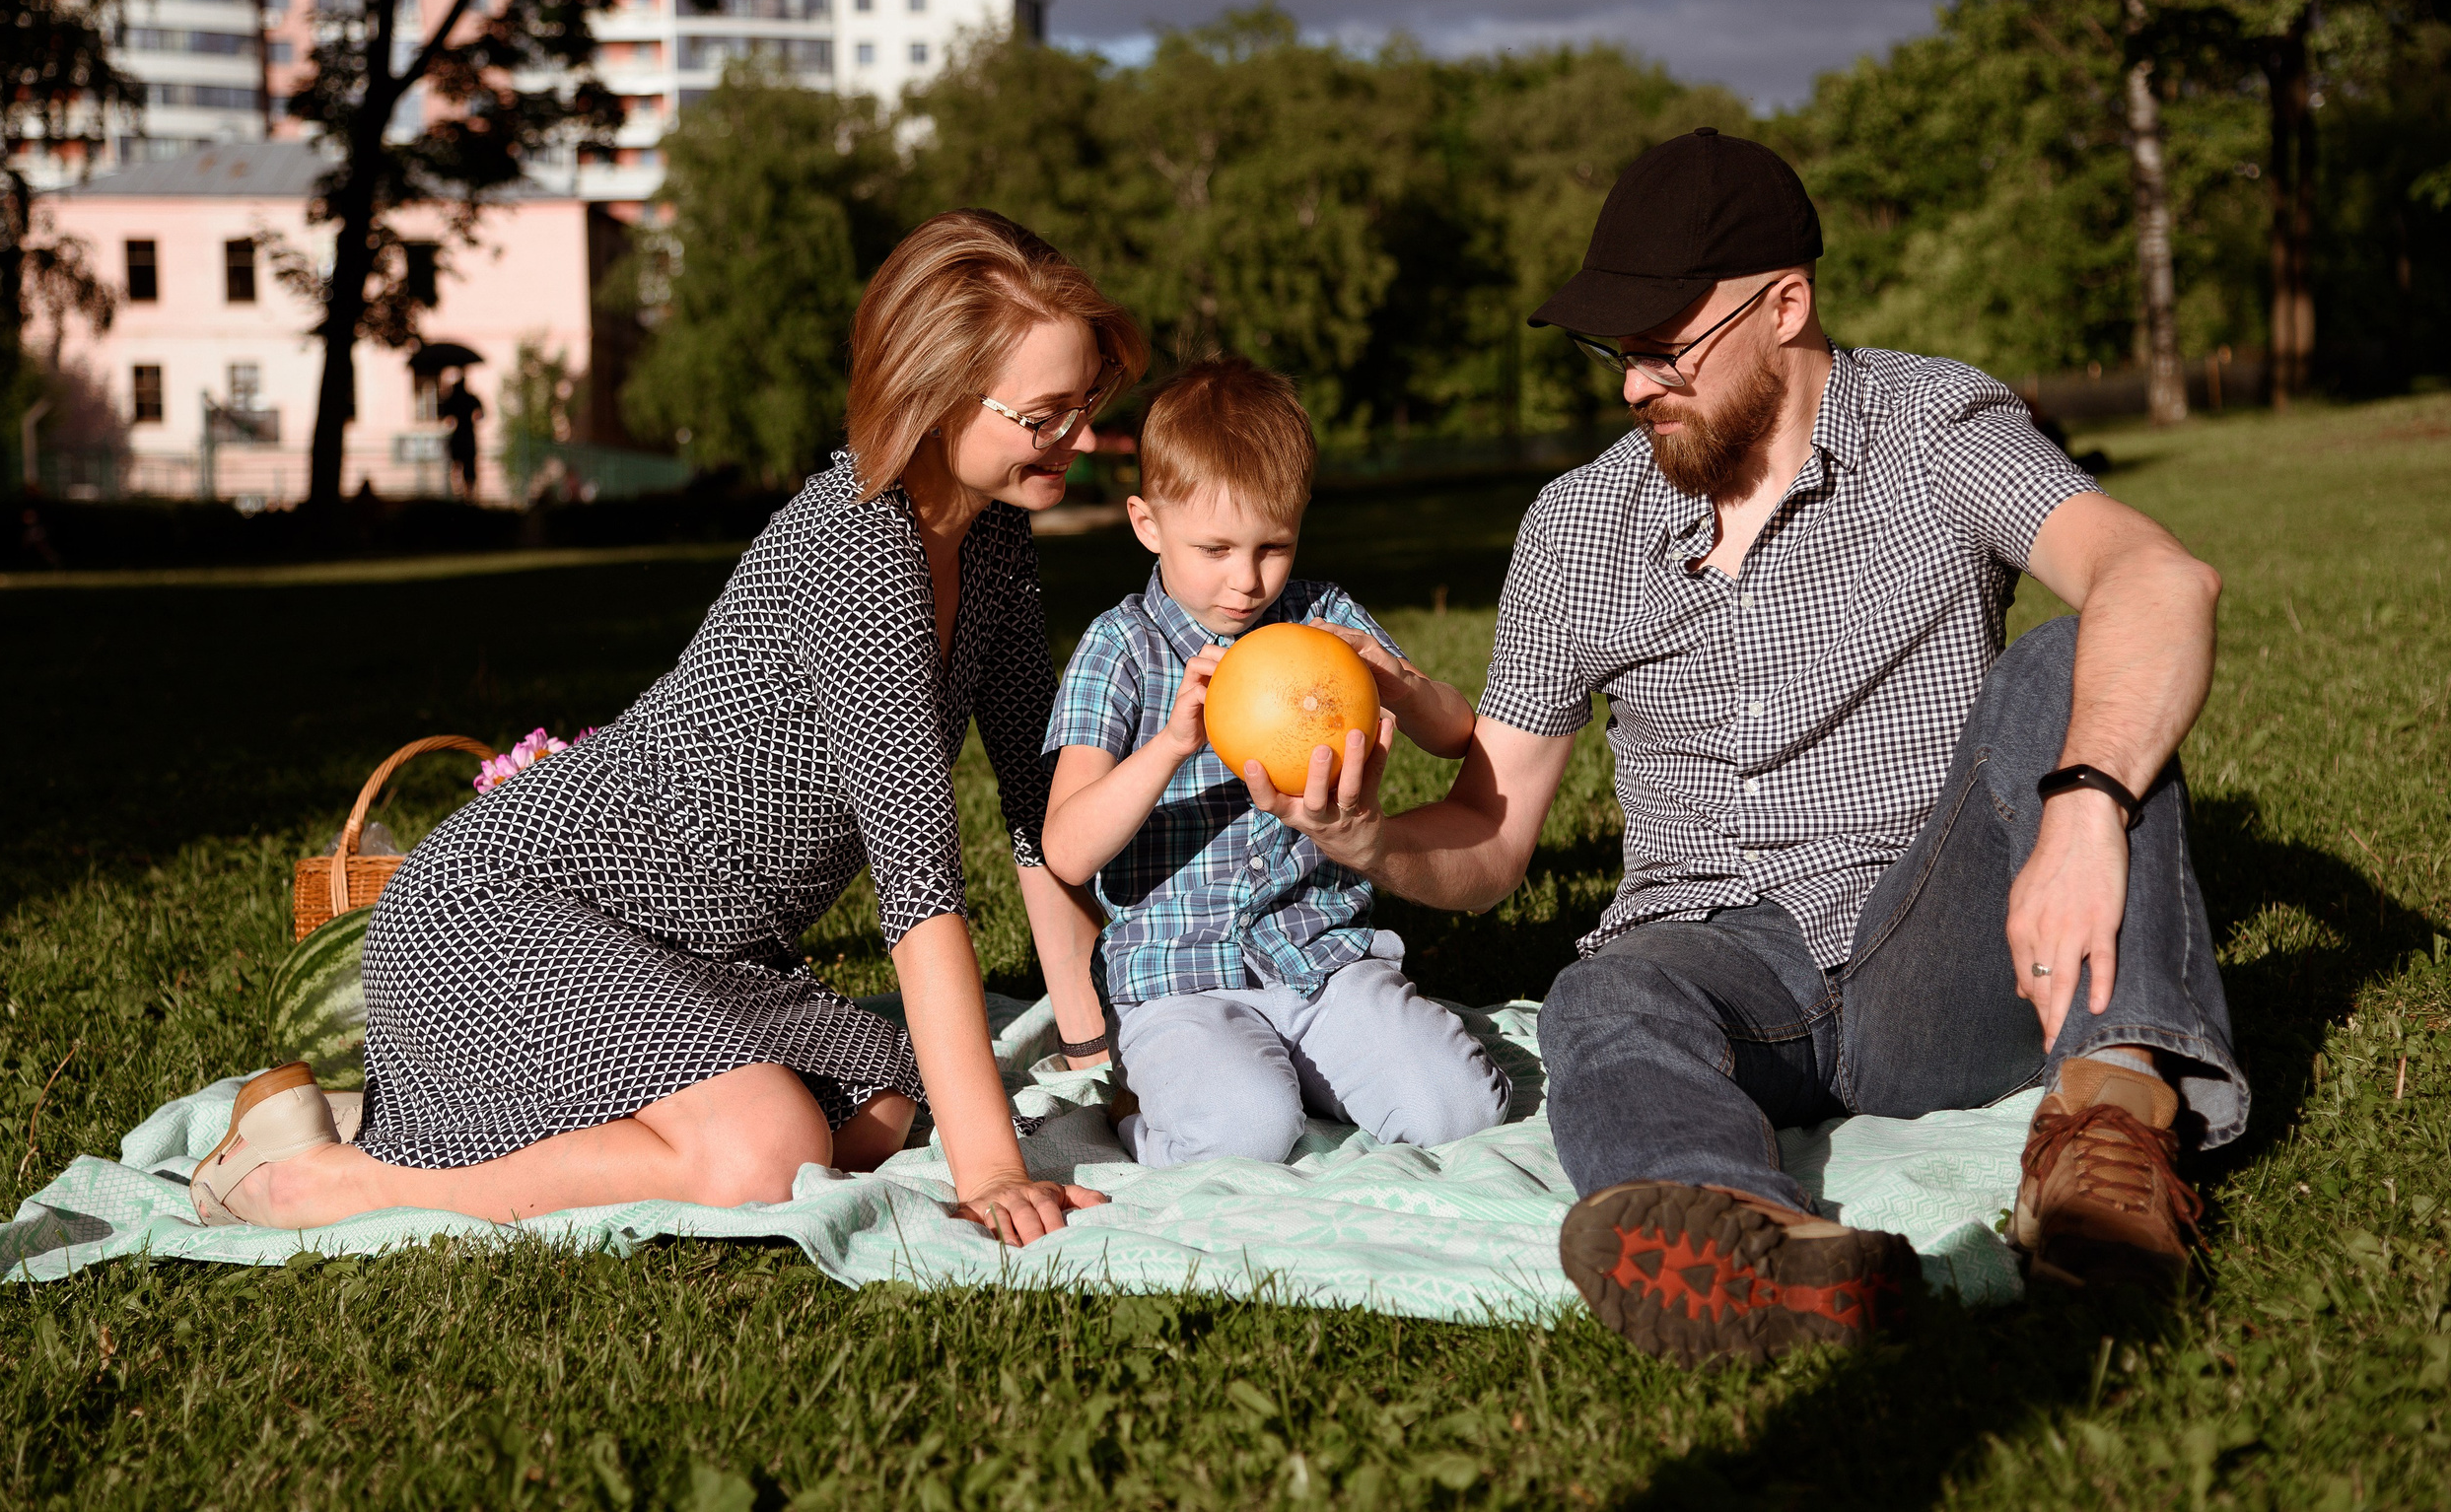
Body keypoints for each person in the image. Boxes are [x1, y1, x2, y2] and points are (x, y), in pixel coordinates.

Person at [1243, 128, 2246, 1365]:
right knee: (1603, 991)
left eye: (1667, 348)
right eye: (1617, 352)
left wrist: (2086, 808)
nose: (1632, 384)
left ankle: (2109, 1142)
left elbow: (2156, 575)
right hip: (1725, 962)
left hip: (1938, 942)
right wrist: (1364, 838)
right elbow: (1493, 838)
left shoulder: (1930, 425)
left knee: (2068, 659)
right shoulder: (1577, 525)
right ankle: (1738, 1242)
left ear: (1785, 305)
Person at [190, 210, 1145, 1245]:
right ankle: (318, 1182)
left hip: (702, 947)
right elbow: (920, 887)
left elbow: (1034, 804)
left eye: (1088, 400)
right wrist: (994, 1170)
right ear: (933, 395)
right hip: (505, 910)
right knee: (767, 1151)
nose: (1084, 438)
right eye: (1047, 414)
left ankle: (478, 1128)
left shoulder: (994, 536)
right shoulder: (861, 553)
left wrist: (1099, 1049)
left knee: (883, 1112)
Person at [1039, 359, 1509, 1166]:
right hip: (1182, 980)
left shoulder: (1321, 619)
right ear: (1147, 523)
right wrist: (1171, 744)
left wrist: (1390, 674)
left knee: (1460, 1108)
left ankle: (1303, 1071)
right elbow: (1068, 848)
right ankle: (1145, 1107)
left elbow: (1456, 732)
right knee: (1245, 1132)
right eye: (1214, 548)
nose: (1247, 580)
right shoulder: (1119, 649)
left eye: (1274, 545)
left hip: (1323, 957)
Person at [438, 370, 483, 500]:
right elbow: (480, 414)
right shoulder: (469, 398)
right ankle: (465, 495)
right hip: (465, 436)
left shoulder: (454, 399)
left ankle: (462, 494)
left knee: (459, 465)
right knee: (463, 466)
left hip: (460, 436)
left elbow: (444, 417)